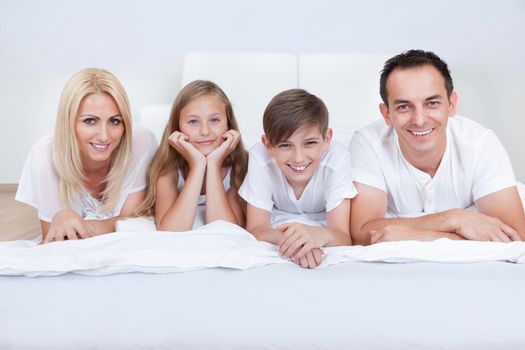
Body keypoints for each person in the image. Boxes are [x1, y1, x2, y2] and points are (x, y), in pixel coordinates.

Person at [349, 49, 525, 245]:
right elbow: (363, 232)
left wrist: (417, 235)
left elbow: (514, 237)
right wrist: (454, 219)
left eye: (432, 103)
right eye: (404, 107)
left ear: (451, 105)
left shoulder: (480, 144)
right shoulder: (368, 144)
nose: (420, 120)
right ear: (387, 114)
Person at [16, 68, 157, 243]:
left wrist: (88, 226)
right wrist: (112, 224)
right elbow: (55, 239)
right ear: (68, 122)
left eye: (115, 121)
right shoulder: (45, 155)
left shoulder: (140, 141)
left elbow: (133, 220)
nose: (104, 136)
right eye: (90, 121)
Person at [239, 89, 356, 269]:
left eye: (310, 143)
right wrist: (297, 243)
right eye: (285, 145)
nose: (299, 158)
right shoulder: (259, 157)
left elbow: (342, 236)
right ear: (268, 145)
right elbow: (255, 228)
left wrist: (318, 236)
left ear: (326, 139)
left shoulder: (338, 158)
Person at [135, 80, 248, 230]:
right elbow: (171, 230)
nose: (205, 131)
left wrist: (214, 164)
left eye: (214, 120)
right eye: (194, 122)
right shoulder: (168, 168)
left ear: (228, 123)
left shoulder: (240, 165)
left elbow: (225, 229)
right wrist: (198, 165)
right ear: (178, 127)